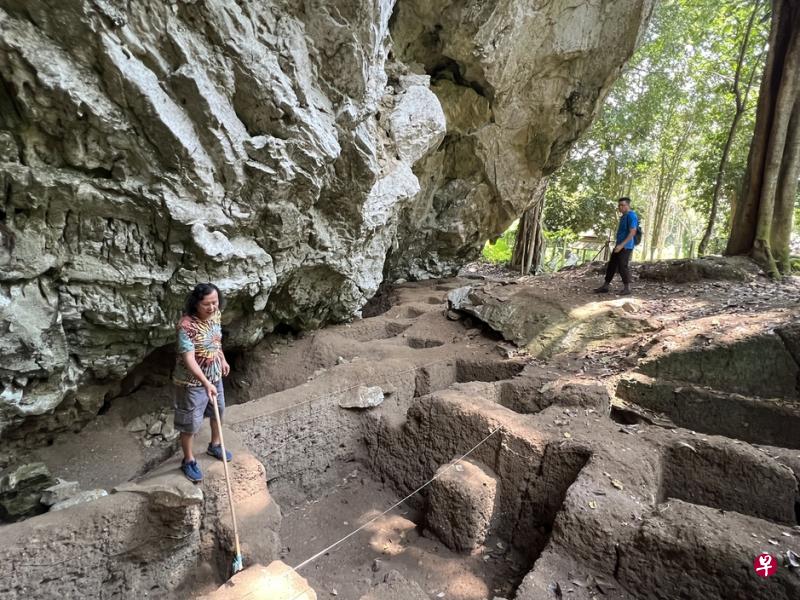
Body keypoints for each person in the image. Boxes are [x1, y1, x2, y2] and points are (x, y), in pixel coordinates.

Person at [172, 283, 233, 482]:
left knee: (218, 411)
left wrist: (222, 358)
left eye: (215, 302)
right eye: (207, 304)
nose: (212, 307)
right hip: (192, 383)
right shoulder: (186, 326)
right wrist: (206, 383)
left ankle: (215, 445)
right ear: (196, 304)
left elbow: (216, 341)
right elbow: (189, 359)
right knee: (190, 423)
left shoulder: (216, 316)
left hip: (214, 376)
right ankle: (188, 460)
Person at [595, 197, 638, 295]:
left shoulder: (632, 216)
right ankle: (605, 286)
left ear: (628, 205)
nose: (620, 207)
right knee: (612, 265)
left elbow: (633, 232)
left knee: (623, 266)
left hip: (626, 246)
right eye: (619, 205)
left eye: (622, 205)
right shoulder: (623, 216)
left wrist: (622, 245)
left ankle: (627, 288)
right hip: (619, 245)